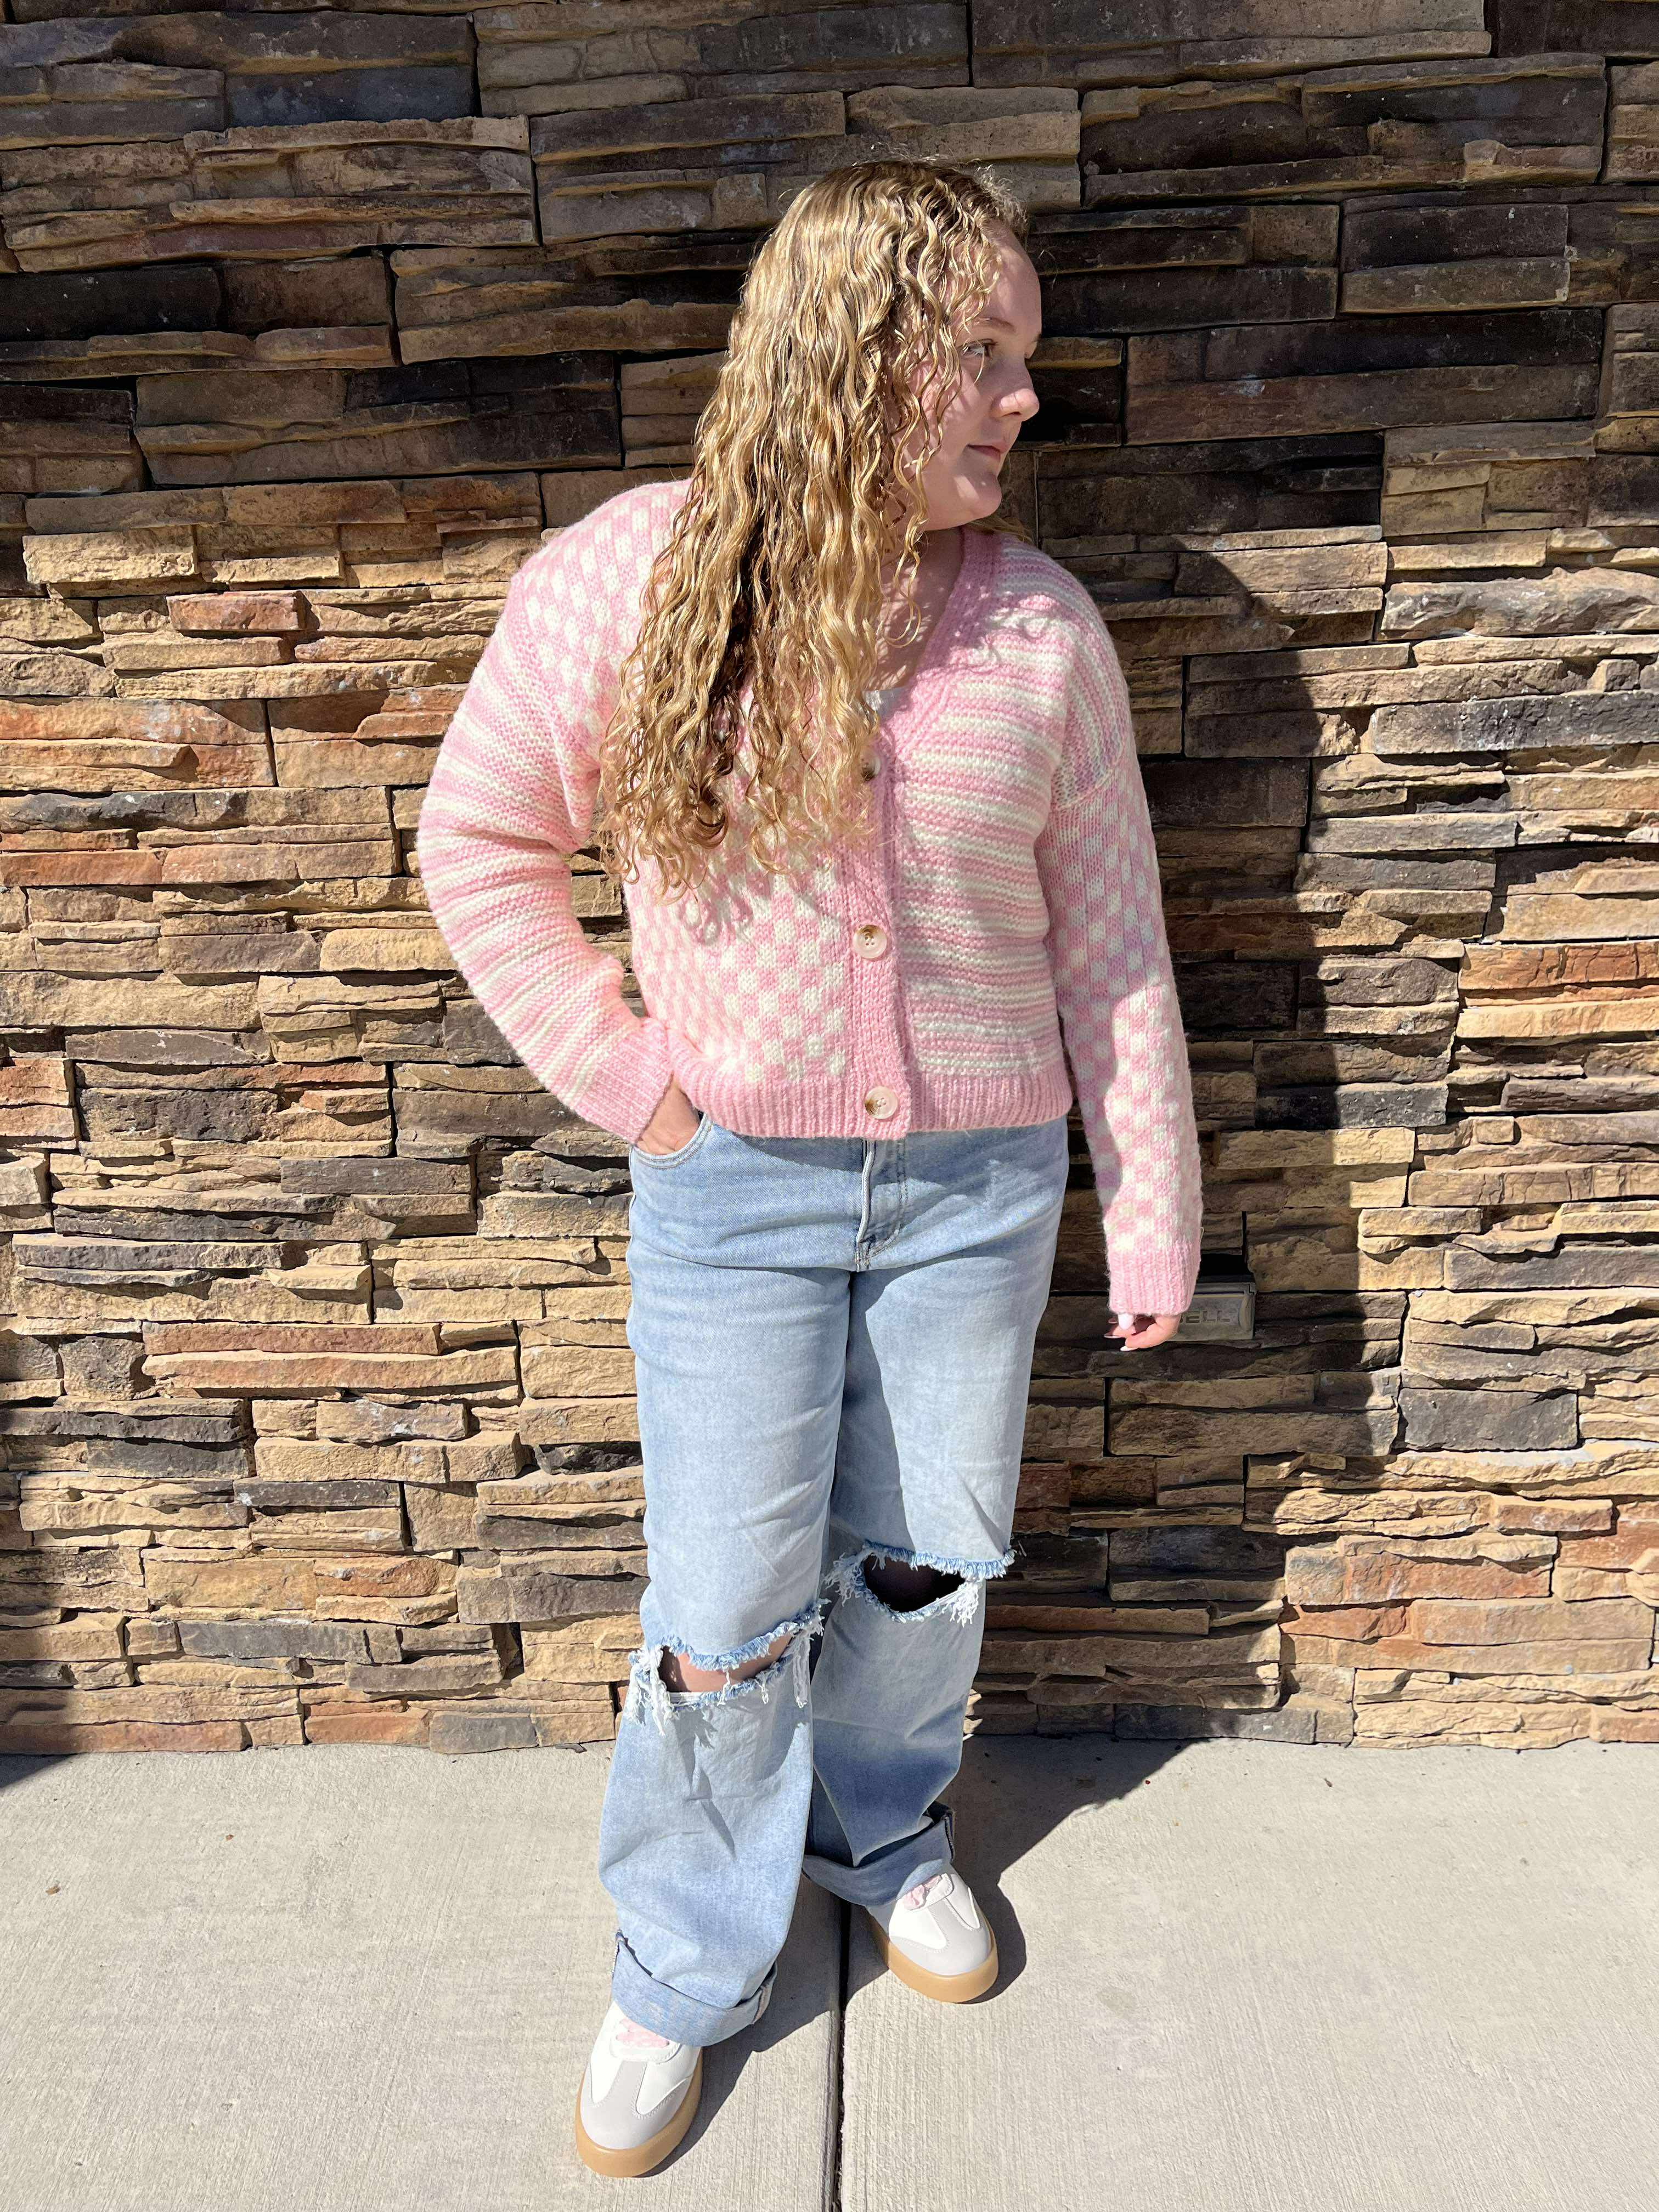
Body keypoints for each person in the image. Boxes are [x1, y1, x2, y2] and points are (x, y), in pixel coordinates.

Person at [416, 157, 1203, 2179]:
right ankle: (686, 1957)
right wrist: (638, 1084)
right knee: (724, 1603)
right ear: (858, 351)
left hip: (978, 1191)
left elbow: (1112, 945)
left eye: (1026, 356)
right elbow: (480, 847)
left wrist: (1151, 1202)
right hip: (732, 1194)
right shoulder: (628, 578)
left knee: (928, 1559)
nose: (1026, 395)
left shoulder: (1037, 628)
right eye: (987, 352)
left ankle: (878, 1832)